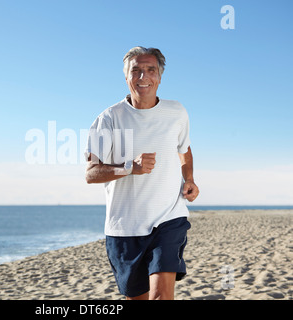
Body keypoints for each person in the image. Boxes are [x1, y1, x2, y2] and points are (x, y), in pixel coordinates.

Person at [85, 46, 199, 300]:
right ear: (126, 76)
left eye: (150, 70)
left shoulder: (177, 112)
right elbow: (91, 173)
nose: (142, 77)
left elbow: (185, 149)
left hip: (169, 219)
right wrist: (129, 167)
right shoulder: (108, 119)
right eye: (135, 71)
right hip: (124, 228)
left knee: (161, 296)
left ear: (160, 76)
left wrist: (189, 178)